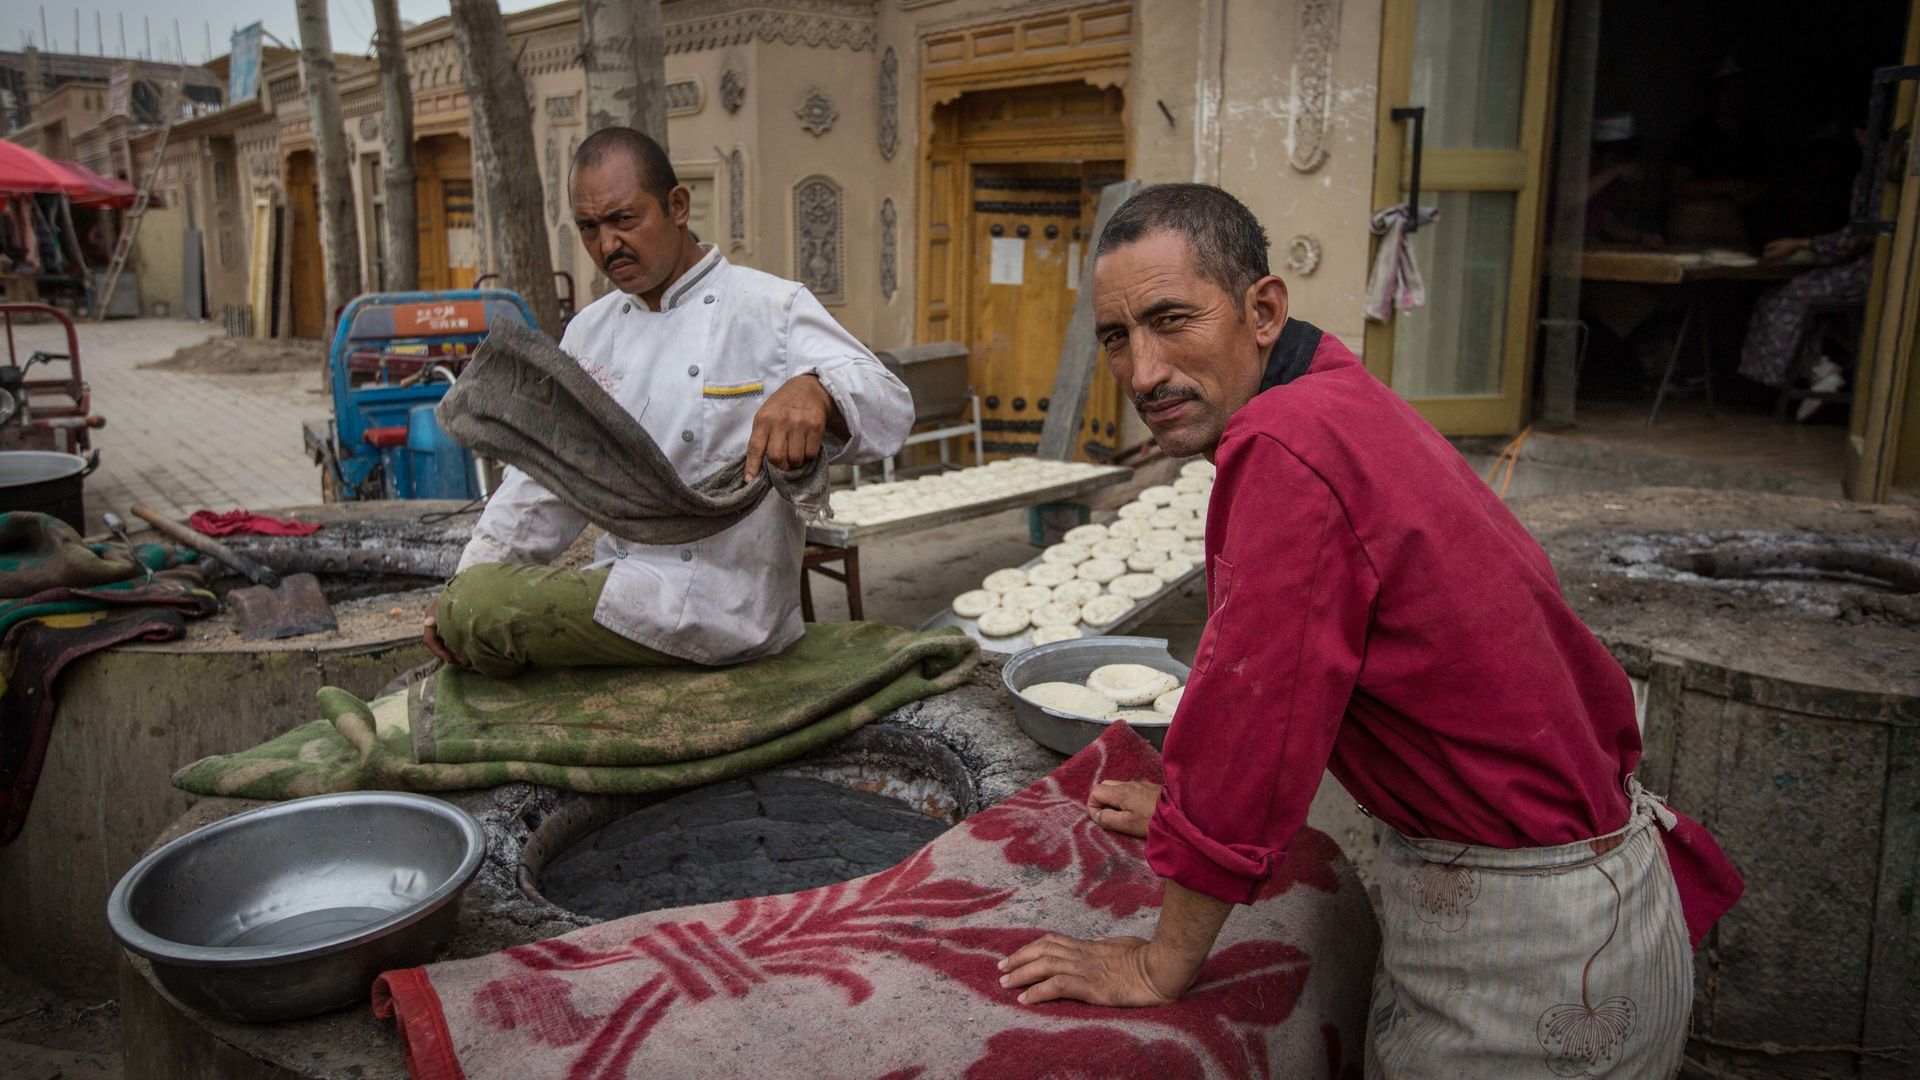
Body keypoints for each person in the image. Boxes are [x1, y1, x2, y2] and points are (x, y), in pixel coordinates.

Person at [996, 184, 1742, 1076]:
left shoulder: (1284, 446)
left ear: (1263, 309)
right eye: (1118, 337)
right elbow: (1359, 678)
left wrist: (1161, 962)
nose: (1144, 372)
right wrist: (1184, 811)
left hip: (1531, 961)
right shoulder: (1333, 395)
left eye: (1171, 320)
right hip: (1593, 911)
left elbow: (1254, 728)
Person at [424, 128, 912, 675]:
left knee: (481, 613)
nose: (607, 245)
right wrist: (465, 581)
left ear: (677, 206)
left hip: (729, 610)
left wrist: (818, 389)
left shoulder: (768, 307)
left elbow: (891, 405)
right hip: (625, 591)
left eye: (624, 220)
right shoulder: (590, 330)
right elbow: (543, 481)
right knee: (471, 602)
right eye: (590, 227)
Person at [1668, 60, 1768, 246]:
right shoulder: (1696, 133)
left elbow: (1765, 180)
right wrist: (1725, 186)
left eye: (1740, 91)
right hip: (1695, 219)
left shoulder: (1753, 135)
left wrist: (1751, 193)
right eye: (1728, 91)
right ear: (1715, 95)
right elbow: (1677, 186)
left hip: (1736, 220)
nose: (1734, 98)